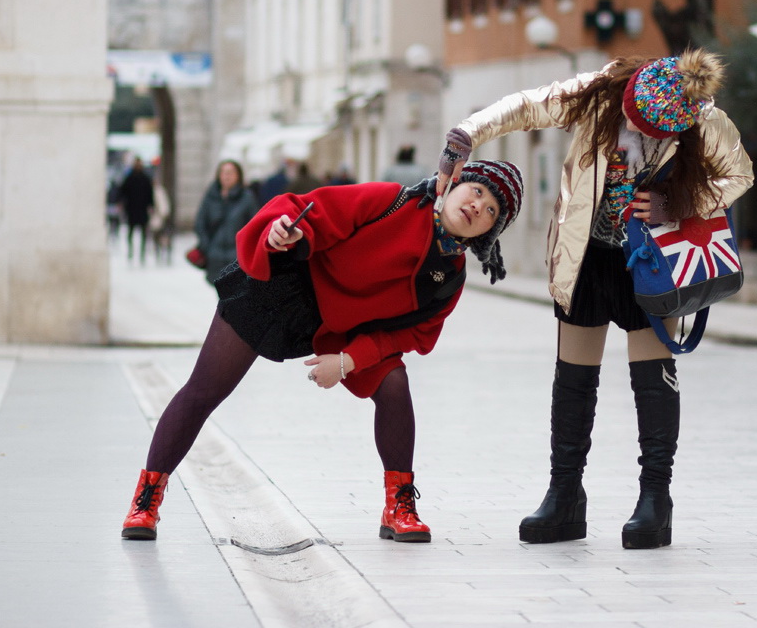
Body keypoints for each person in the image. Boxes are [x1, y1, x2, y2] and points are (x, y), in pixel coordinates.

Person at [436, 50, 752, 550]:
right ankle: (565, 495)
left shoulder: (705, 121)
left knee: (652, 381)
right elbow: (527, 107)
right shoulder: (598, 94)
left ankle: (655, 499)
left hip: (651, 266)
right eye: (631, 113)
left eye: (648, 128)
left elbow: (740, 175)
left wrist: (680, 203)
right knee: (573, 380)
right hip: (584, 257)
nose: (633, 125)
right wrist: (467, 133)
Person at [120, 160, 525, 544]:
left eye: (491, 210)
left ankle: (398, 506)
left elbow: (406, 337)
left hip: (344, 330)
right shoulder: (393, 200)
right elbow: (311, 209)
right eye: (476, 190)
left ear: (490, 231)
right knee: (204, 390)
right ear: (453, 184)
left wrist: (349, 362)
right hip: (286, 285)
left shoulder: (449, 279)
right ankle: (146, 499)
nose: (477, 205)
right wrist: (287, 233)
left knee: (395, 384)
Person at [194, 160, 258, 286]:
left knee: (236, 295)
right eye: (223, 172)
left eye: (231, 173)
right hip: (215, 257)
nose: (227, 176)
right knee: (221, 294)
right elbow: (200, 222)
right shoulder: (211, 196)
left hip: (237, 258)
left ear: (238, 176)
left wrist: (244, 250)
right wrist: (207, 246)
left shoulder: (247, 198)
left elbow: (254, 226)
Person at [118, 157, 155, 264]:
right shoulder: (130, 177)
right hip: (132, 209)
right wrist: (121, 203)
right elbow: (123, 191)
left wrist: (151, 206)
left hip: (142, 210)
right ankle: (131, 251)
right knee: (130, 232)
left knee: (144, 233)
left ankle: (142, 253)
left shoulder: (145, 178)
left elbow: (150, 194)